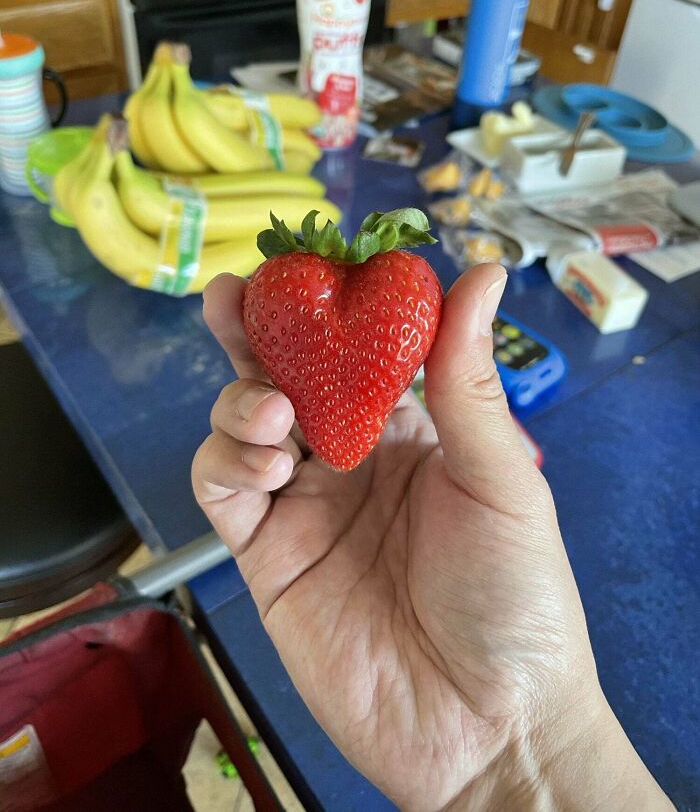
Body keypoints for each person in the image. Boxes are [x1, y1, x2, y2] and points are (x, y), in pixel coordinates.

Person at [192, 265, 673, 812]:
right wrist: (526, 749)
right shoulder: (405, 290)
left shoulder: (298, 295)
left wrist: (525, 739)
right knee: (260, 422)